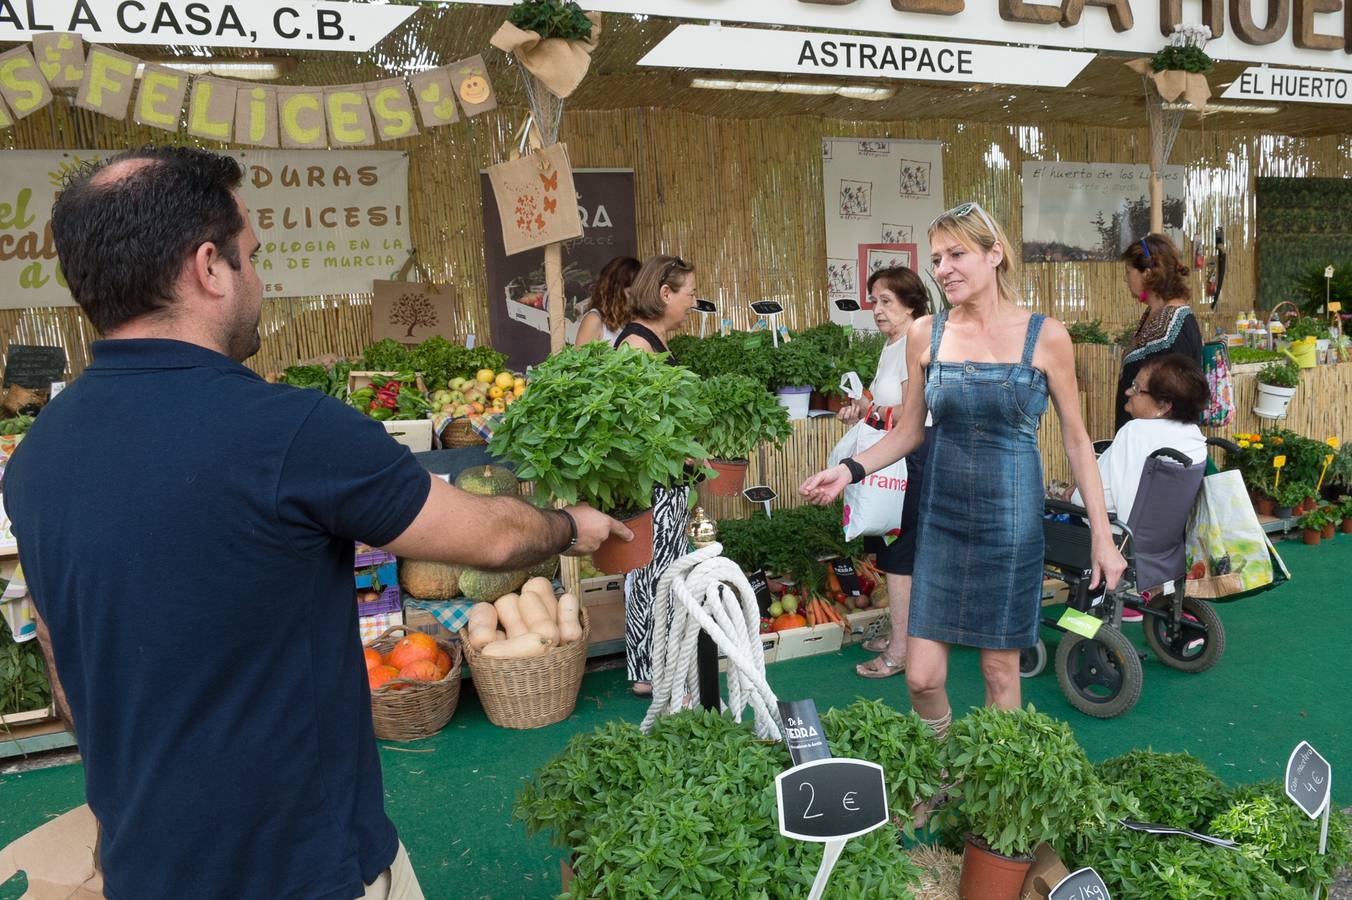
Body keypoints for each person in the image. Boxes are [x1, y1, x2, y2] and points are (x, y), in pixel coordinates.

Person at [2, 147, 630, 900]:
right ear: (209, 267)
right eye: (253, 256)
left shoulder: (38, 455)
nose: (261, 281)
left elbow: (64, 676)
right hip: (303, 869)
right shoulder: (287, 431)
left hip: (142, 869)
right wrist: (567, 524)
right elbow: (492, 538)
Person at [800, 202, 1125, 737]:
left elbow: (1076, 441)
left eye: (957, 254)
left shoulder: (1045, 336)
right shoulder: (926, 333)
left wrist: (1101, 538)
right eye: (937, 258)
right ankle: (946, 765)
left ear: (994, 254)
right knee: (923, 678)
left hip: (1011, 523)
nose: (944, 268)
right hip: (942, 520)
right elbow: (908, 431)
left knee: (1000, 672)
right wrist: (851, 470)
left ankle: (997, 797)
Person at [835, 267, 931, 680]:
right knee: (892, 552)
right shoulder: (892, 343)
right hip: (890, 460)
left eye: (886, 301)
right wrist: (862, 407)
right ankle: (901, 634)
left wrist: (873, 413)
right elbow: (881, 393)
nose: (877, 309)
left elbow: (916, 412)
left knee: (899, 554)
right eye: (874, 300)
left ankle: (902, 650)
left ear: (911, 305)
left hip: (911, 460)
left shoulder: (915, 342)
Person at [613, 254, 698, 697]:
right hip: (653, 484)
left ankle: (653, 667)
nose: (693, 301)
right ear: (665, 294)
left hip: (668, 480)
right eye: (688, 293)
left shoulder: (655, 341)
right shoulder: (637, 345)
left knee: (661, 569)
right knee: (650, 572)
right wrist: (678, 453)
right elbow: (632, 421)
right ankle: (650, 671)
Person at [1066, 353, 1209, 525]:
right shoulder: (1194, 435)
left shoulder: (1135, 432)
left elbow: (1091, 504)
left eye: (1136, 387)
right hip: (1166, 548)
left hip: (1113, 542)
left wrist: (1075, 494)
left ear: (1163, 405)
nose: (1128, 391)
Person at [1114, 234, 1203, 431]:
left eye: (1128, 272)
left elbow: (1176, 398)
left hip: (1160, 448)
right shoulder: (1154, 314)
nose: (1126, 279)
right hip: (1139, 437)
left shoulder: (1176, 326)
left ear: (1146, 273)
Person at [572, 255, 640, 346]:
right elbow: (579, 359)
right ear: (614, 291)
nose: (636, 299)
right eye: (631, 294)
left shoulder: (631, 320)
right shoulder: (594, 320)